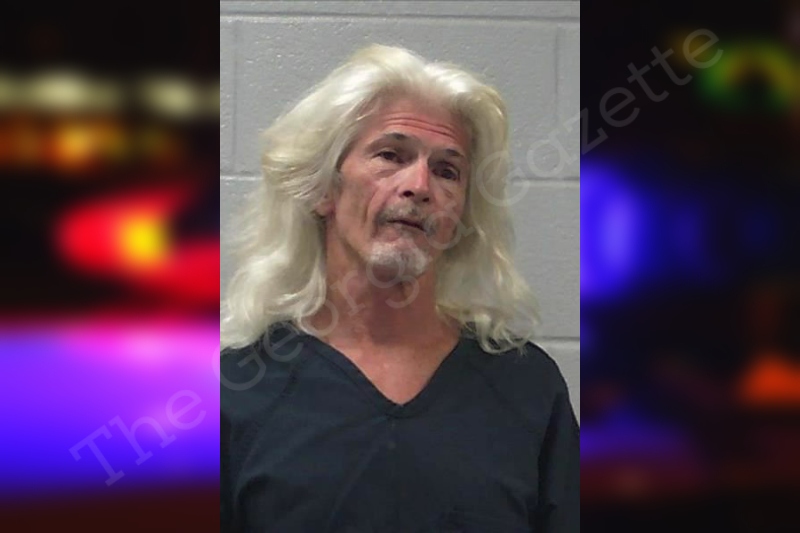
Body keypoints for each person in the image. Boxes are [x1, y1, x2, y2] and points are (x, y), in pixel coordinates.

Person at [220, 44, 579, 533]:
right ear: (324, 189)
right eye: (390, 155)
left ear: (460, 215)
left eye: (447, 170)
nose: (420, 186)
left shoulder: (528, 389)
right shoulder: (238, 391)